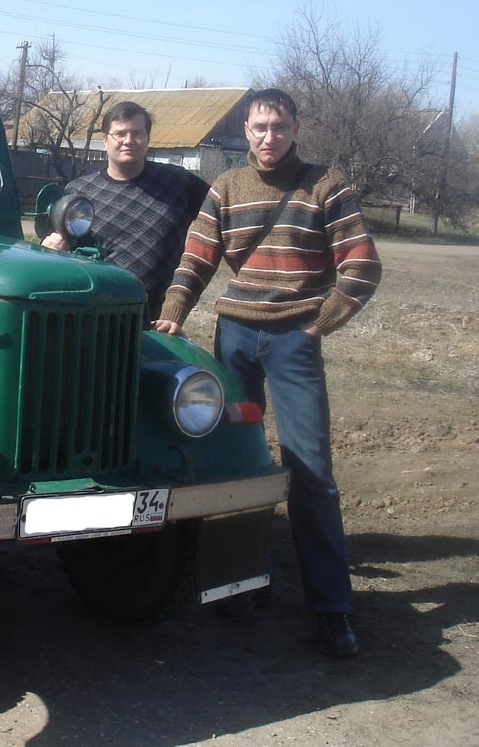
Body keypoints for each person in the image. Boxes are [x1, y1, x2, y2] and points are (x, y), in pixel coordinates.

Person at [154, 88, 381, 657]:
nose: (268, 137)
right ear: (246, 131)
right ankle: (240, 584)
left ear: (295, 127)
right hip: (234, 336)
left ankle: (331, 607)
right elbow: (196, 258)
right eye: (259, 127)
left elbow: (362, 265)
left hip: (294, 340)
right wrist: (175, 311)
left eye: (278, 126)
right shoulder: (226, 186)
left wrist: (319, 324)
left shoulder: (326, 184)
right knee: (234, 465)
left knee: (311, 470)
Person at [42, 101, 209, 318]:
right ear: (105, 140)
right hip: (93, 312)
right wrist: (52, 249)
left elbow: (221, 215)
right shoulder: (78, 192)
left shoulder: (179, 183)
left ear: (147, 138)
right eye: (120, 134)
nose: (129, 140)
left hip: (157, 317)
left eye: (137, 133)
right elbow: (60, 248)